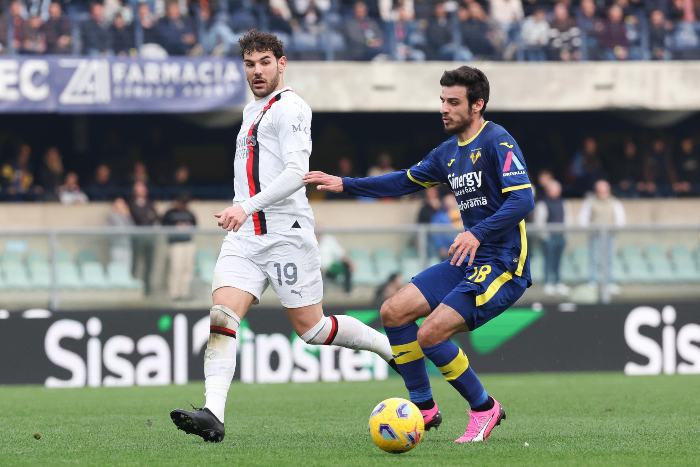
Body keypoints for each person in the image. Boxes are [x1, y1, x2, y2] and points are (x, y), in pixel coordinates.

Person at [170, 30, 396, 443]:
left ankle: (388, 349)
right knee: (222, 316)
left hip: (285, 235)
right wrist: (243, 209)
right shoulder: (249, 111)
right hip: (245, 238)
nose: (257, 71)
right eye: (250, 64)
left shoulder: (291, 108)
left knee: (313, 329)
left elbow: (296, 174)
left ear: (281, 63)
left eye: (264, 63)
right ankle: (213, 414)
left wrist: (245, 207)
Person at [305, 66, 534, 443]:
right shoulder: (447, 153)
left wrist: (477, 232)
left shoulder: (498, 141)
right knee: (393, 312)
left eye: (453, 102)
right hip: (468, 260)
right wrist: (345, 183)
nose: (443, 108)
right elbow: (402, 181)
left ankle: (483, 408)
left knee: (430, 334)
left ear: (478, 105)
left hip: (503, 264)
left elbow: (523, 198)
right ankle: (424, 409)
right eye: (442, 100)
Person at [578, 179, 625, 292]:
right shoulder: (590, 202)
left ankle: (609, 282)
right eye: (600, 191)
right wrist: (591, 229)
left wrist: (613, 230)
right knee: (593, 258)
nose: (603, 193)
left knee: (608, 259)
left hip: (609, 236)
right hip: (595, 236)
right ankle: (592, 281)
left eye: (605, 191)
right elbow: (583, 219)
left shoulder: (615, 202)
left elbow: (620, 220)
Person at [533, 179, 569, 296]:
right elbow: (539, 222)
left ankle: (558, 282)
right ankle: (548, 283)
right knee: (548, 261)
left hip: (560, 236)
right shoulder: (543, 204)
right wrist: (545, 237)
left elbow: (567, 219)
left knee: (558, 261)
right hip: (549, 238)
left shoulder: (563, 202)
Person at [161, 194, 197, 300]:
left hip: (188, 243)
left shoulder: (190, 213)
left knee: (187, 269)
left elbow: (195, 226)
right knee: (176, 268)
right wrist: (176, 228)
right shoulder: (170, 213)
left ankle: (184, 293)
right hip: (175, 243)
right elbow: (163, 226)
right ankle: (174, 294)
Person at [128, 181, 159, 295]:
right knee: (135, 262)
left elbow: (155, 216)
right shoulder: (131, 203)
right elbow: (138, 218)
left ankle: (147, 289)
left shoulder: (150, 203)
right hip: (137, 238)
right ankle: (133, 288)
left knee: (149, 263)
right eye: (139, 189)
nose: (142, 191)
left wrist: (147, 216)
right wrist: (147, 216)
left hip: (149, 238)